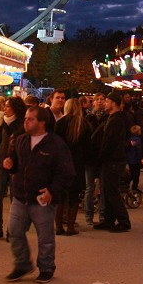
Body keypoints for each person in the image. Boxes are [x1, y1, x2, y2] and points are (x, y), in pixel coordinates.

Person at [1, 106, 74, 283]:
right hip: (21, 197)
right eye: (26, 118)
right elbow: (17, 163)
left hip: (42, 199)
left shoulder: (55, 144)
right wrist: (10, 163)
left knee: (45, 237)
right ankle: (22, 264)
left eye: (30, 119)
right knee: (15, 232)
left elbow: (66, 172)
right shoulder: (20, 141)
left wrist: (53, 190)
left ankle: (47, 267)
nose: (26, 122)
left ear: (42, 122)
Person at [0, 96, 25, 241]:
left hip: (17, 166)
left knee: (15, 199)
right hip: (1, 163)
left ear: (15, 108)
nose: (5, 109)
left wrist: (13, 159)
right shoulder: (4, 123)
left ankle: (12, 230)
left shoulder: (22, 125)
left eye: (7, 106)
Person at [93, 92, 132, 232]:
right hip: (111, 160)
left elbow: (110, 142)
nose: (104, 103)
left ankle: (124, 221)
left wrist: (102, 156)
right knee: (107, 191)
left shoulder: (116, 120)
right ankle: (108, 220)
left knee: (112, 191)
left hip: (113, 160)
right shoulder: (111, 118)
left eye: (107, 101)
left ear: (114, 104)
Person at [53, 98, 91, 236]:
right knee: (74, 196)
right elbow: (88, 147)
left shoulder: (60, 123)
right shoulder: (84, 124)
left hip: (62, 164)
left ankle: (58, 227)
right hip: (77, 164)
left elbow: (55, 144)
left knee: (60, 196)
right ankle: (70, 226)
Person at [84, 92, 108, 225]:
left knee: (103, 187)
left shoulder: (108, 117)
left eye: (102, 99)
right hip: (91, 157)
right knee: (89, 188)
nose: (99, 102)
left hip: (103, 157)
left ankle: (102, 215)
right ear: (93, 102)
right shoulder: (88, 117)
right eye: (97, 99)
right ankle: (89, 215)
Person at [126, 124, 143, 194]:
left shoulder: (130, 139)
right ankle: (134, 187)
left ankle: (127, 184)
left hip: (130, 159)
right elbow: (139, 150)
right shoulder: (138, 140)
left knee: (133, 173)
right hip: (135, 160)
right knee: (136, 175)